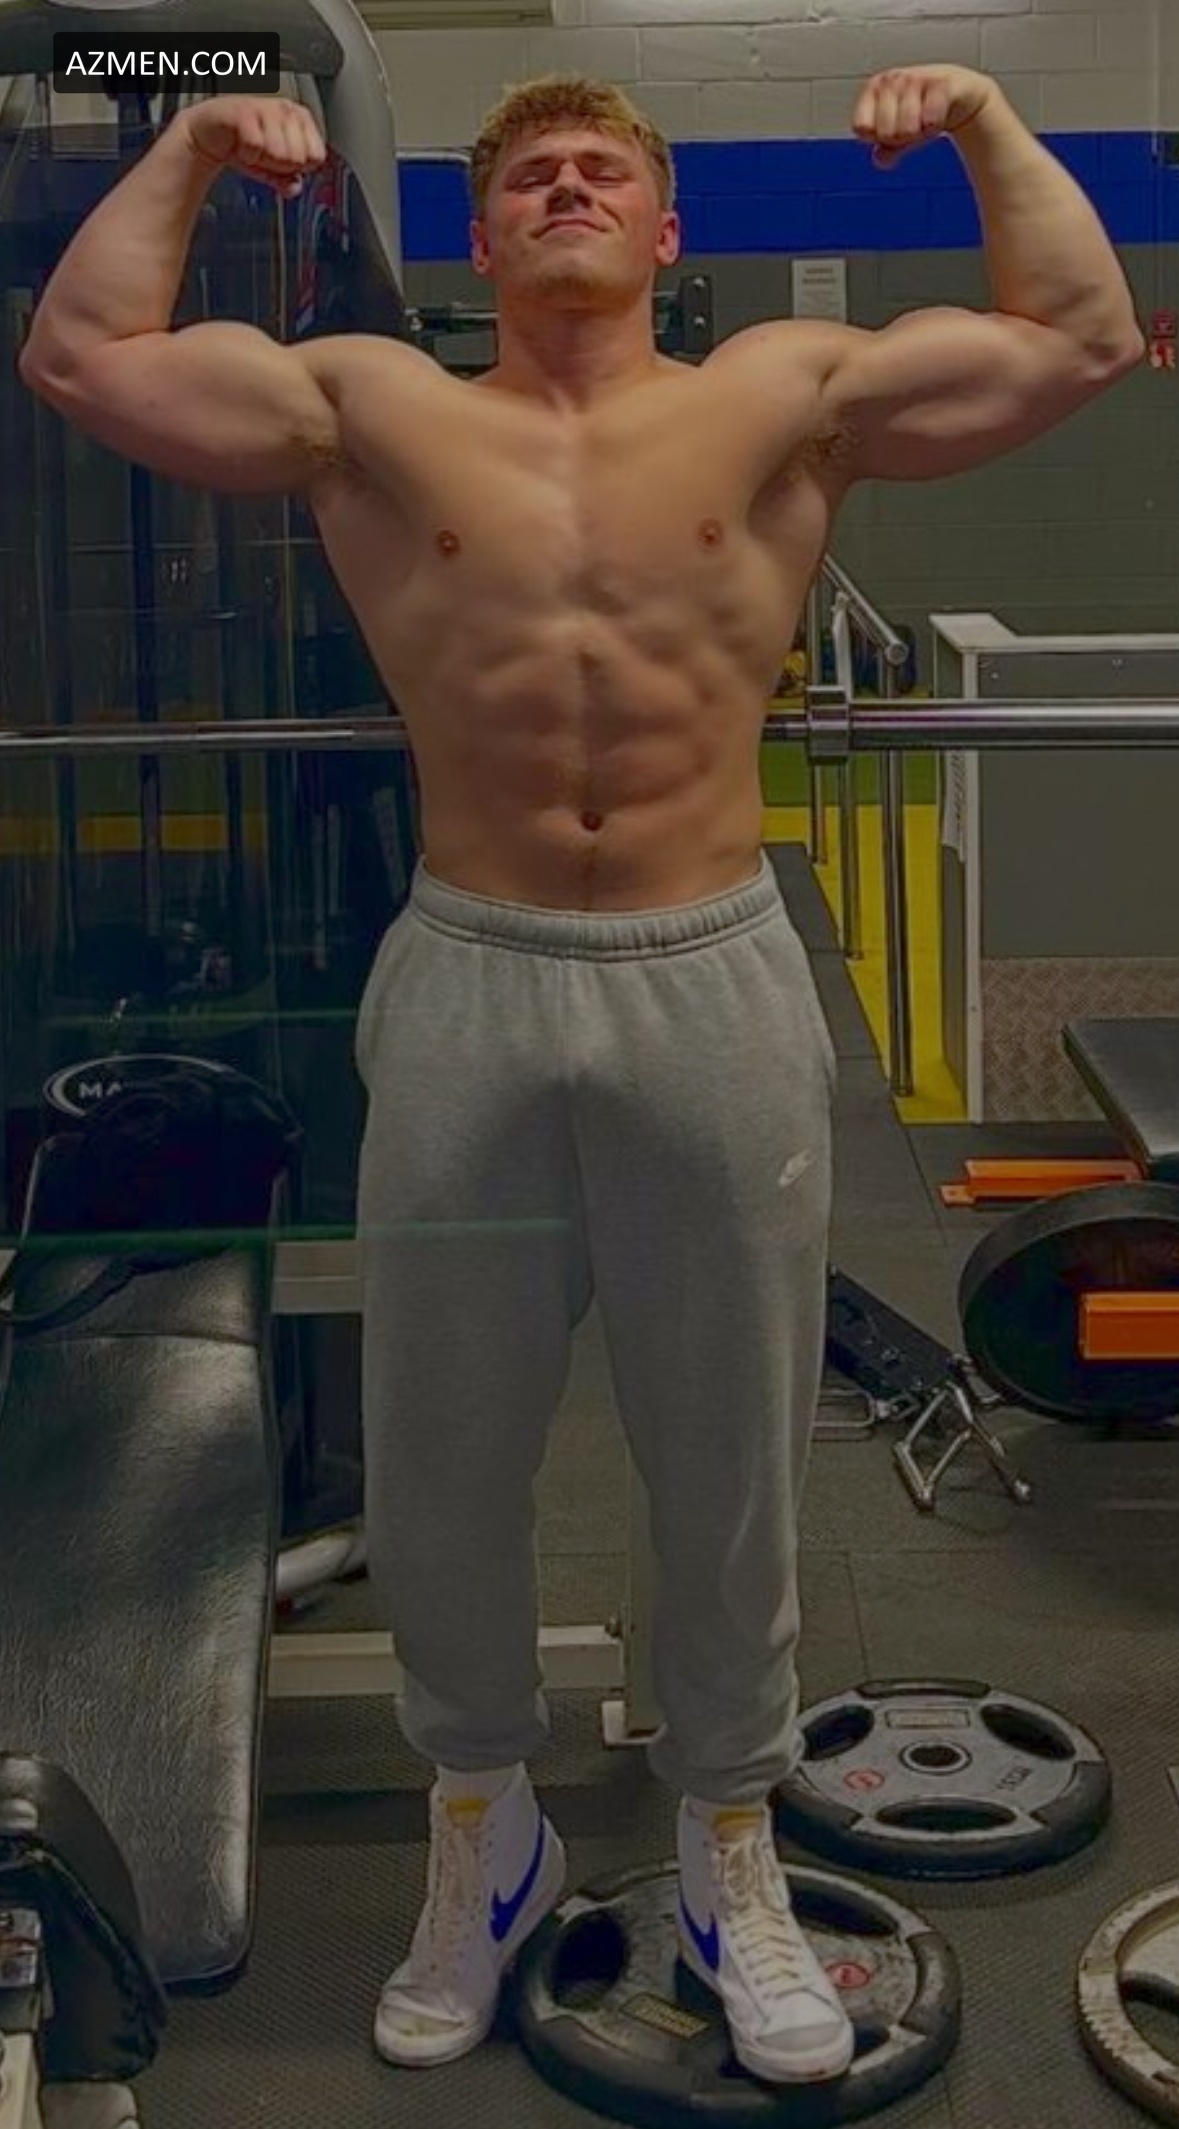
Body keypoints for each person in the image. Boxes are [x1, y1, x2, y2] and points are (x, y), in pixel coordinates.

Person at [19, 65, 1143, 2086]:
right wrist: (184, 144)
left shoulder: (786, 389)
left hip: (710, 971)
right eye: (526, 171)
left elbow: (1074, 337)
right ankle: (485, 1826)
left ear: (661, 228)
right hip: (470, 967)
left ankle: (730, 1839)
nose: (562, 186)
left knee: (727, 1442)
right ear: (479, 235)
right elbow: (85, 359)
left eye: (599, 169)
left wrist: (983, 119)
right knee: (445, 1448)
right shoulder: (369, 401)